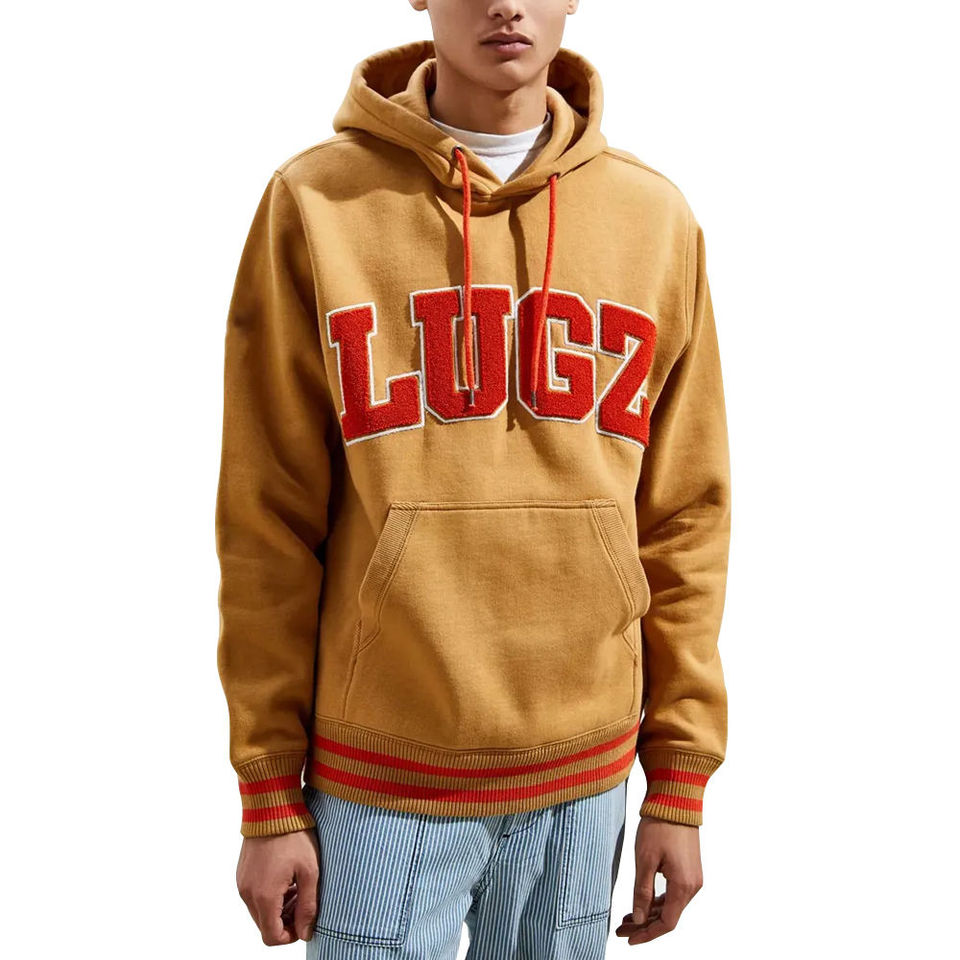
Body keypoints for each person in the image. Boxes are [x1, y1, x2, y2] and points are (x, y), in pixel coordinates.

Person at [215, 1, 731, 956]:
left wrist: (679, 777)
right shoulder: (317, 204)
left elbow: (685, 520)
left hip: (584, 777)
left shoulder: (654, 219)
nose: (506, 4)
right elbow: (266, 520)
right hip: (381, 774)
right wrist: (269, 791)